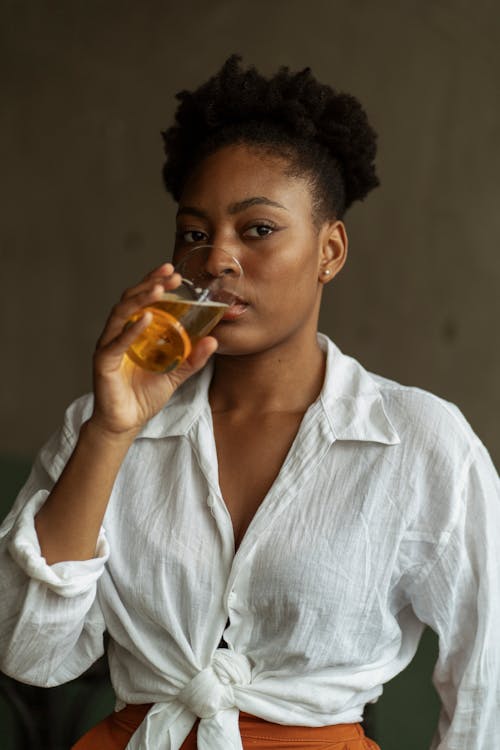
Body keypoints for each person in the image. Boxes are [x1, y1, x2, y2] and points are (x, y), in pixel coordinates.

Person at [0, 55, 499, 750]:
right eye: (196, 234)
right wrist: (112, 429)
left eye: (257, 229)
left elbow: (488, 680)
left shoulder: (420, 442)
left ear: (330, 250)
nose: (217, 260)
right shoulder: (101, 427)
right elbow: (30, 652)